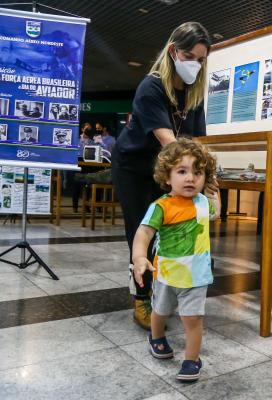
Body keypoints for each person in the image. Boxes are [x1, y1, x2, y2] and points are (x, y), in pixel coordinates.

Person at [112, 21, 216, 330]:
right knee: (143, 228)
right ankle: (141, 298)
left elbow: (197, 144)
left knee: (171, 229)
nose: (196, 65)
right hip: (134, 165)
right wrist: (193, 174)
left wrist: (210, 182)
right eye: (191, 57)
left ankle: (165, 291)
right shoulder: (152, 86)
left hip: (166, 167)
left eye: (201, 60)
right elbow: (170, 144)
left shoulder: (194, 94)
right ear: (173, 51)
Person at [132, 138, 219, 382]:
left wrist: (214, 193)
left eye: (198, 172)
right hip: (167, 273)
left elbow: (216, 213)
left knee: (193, 318)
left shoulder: (203, 202)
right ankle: (156, 335)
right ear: (167, 176)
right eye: (182, 171)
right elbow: (144, 233)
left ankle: (192, 359)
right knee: (160, 310)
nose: (190, 178)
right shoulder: (161, 206)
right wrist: (139, 257)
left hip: (197, 275)